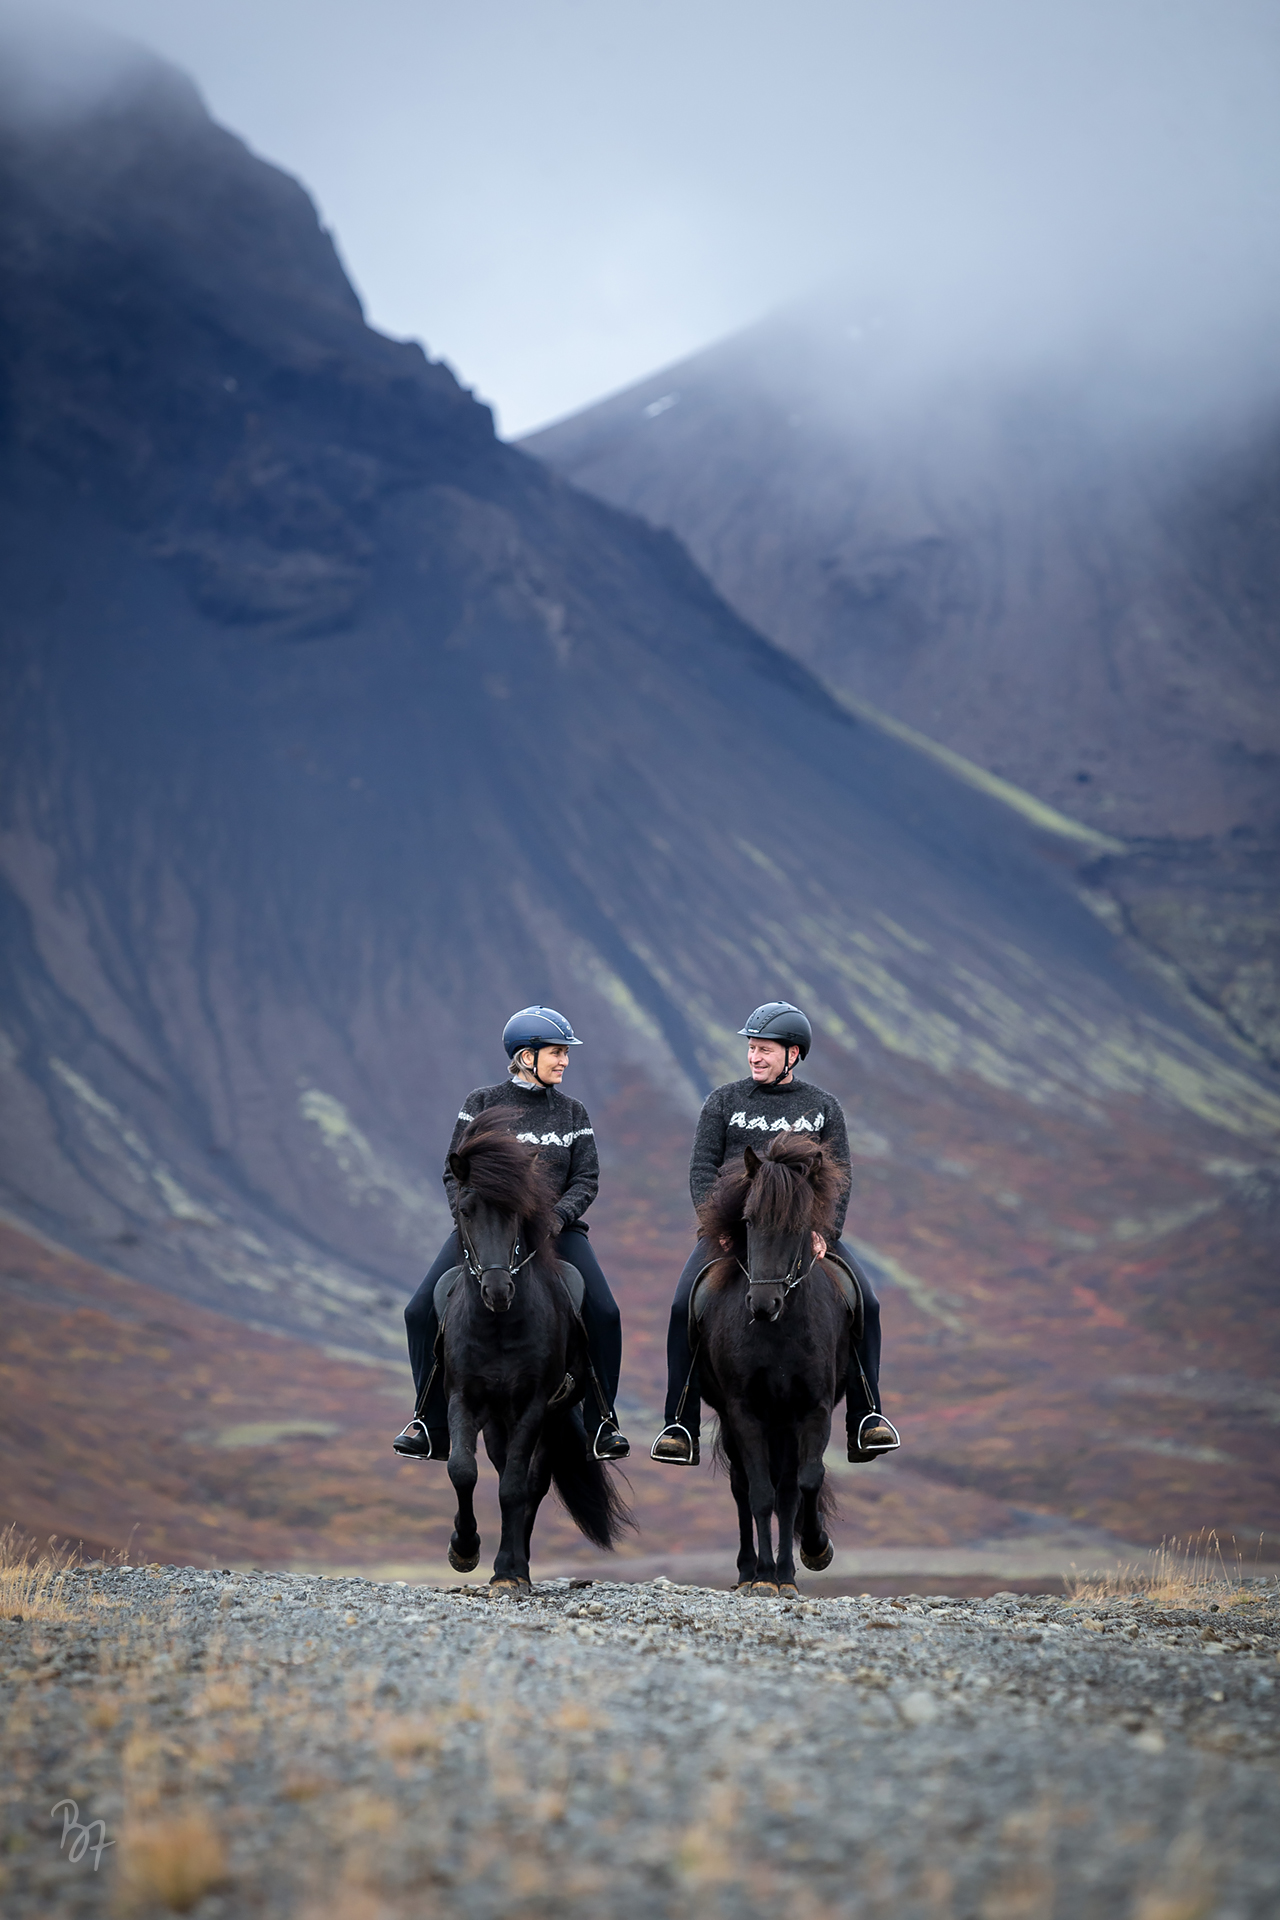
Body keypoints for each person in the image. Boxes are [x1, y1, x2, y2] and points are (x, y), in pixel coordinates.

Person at [650, 1001, 901, 1466]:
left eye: (764, 1049)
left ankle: (866, 1417)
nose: (754, 1057)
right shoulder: (723, 1101)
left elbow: (839, 1176)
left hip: (802, 1235)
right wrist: (716, 1228)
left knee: (866, 1300)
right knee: (683, 1304)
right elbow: (702, 1168)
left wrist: (824, 1231)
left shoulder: (823, 1107)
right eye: (751, 1048)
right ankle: (679, 1422)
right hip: (732, 1234)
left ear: (793, 1054)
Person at [393, 1006, 630, 1462]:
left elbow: (587, 1178)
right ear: (526, 1056)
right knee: (419, 1310)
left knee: (605, 1311)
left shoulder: (572, 1111)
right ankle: (429, 1422)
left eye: (565, 1054)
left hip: (556, 1231)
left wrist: (557, 1217)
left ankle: (603, 1422)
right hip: (487, 1234)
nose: (563, 1062)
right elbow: (454, 1170)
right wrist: (468, 1222)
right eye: (556, 1053)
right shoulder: (481, 1104)